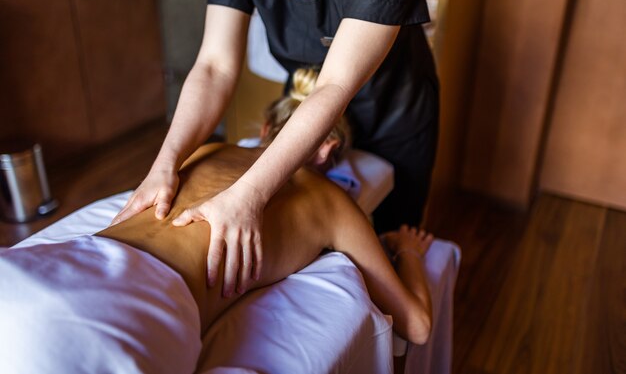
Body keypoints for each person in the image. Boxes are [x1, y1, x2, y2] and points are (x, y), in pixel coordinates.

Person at [0, 109, 433, 373]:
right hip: (129, 310)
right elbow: (416, 324)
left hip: (48, 264)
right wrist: (409, 250)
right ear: (328, 151)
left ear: (264, 127)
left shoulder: (208, 150)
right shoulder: (331, 201)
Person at [113, 0, 438, 298]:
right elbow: (214, 67)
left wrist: (249, 194)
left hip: (394, 109)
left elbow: (335, 85)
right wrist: (165, 164)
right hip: (307, 95)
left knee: (395, 240)